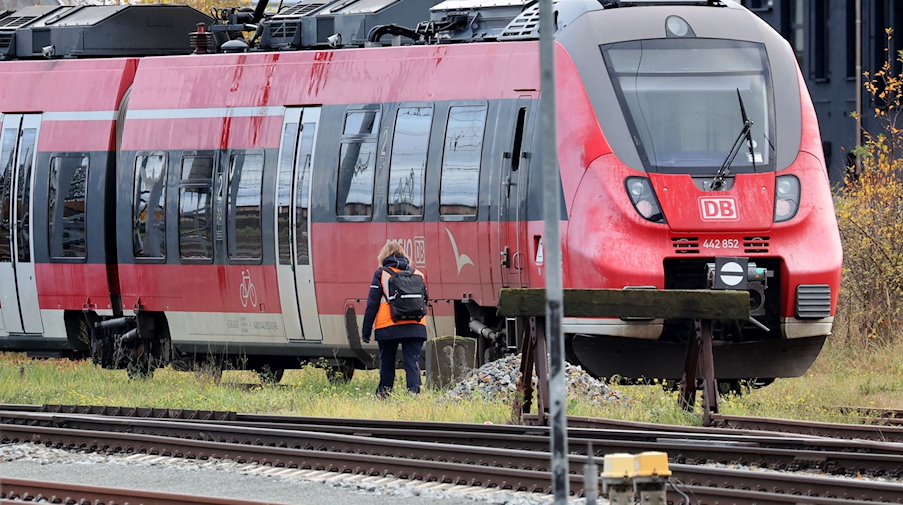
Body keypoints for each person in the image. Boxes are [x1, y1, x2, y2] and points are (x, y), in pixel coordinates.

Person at [361, 242, 428, 397]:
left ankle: (384, 394)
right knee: (412, 362)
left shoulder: (382, 273)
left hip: (389, 326)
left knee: (387, 363)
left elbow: (372, 304)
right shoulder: (417, 273)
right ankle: (414, 394)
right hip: (416, 325)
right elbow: (425, 299)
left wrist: (366, 331)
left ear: (384, 256)